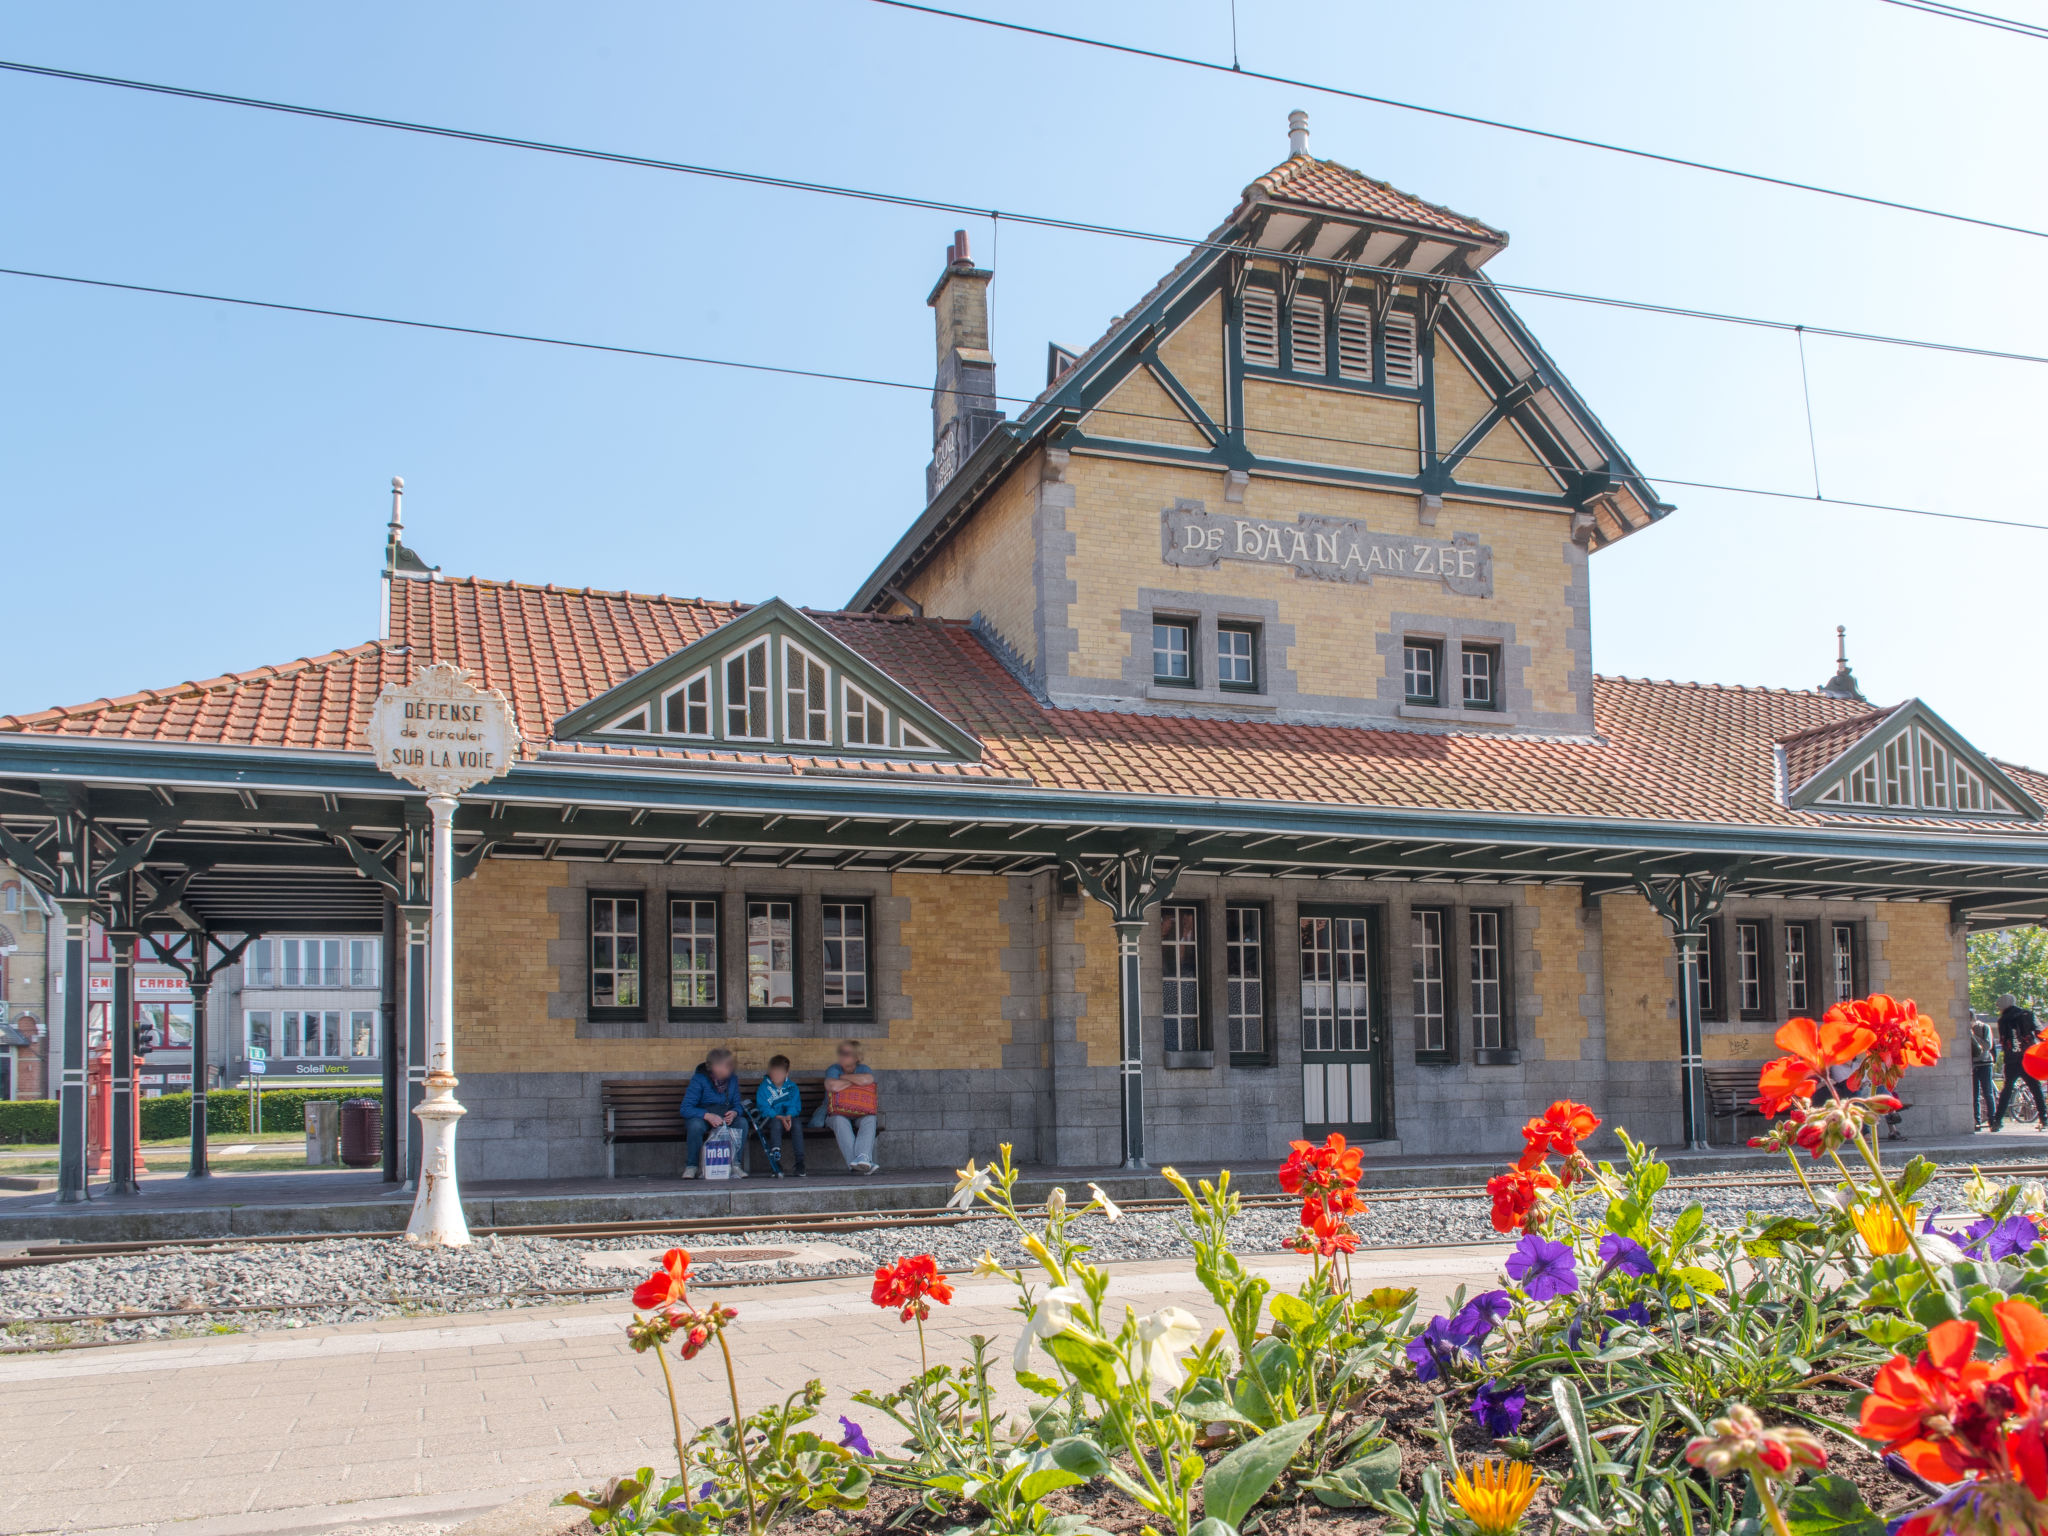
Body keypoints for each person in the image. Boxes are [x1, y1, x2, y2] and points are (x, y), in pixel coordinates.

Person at [680, 1047, 748, 1178]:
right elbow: (685, 1108)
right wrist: (707, 1116)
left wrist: (734, 1112)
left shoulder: (733, 1080)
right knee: (695, 1126)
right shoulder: (699, 1079)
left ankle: (735, 1165)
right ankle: (692, 1166)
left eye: (729, 1066)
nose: (728, 1069)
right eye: (724, 1066)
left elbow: (738, 1104)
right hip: (703, 1117)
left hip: (724, 1116)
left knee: (742, 1123)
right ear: (714, 1067)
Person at [815, 1037, 880, 1175]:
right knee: (840, 1121)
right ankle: (862, 1163)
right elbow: (831, 1085)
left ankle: (862, 1158)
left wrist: (843, 1078)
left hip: (860, 1112)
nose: (842, 1056)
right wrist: (857, 1083)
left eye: (846, 1053)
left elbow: (868, 1079)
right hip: (835, 1112)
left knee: (870, 1119)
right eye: (841, 1052)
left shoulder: (864, 1068)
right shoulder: (833, 1069)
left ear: (856, 1057)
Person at [1991, 994, 2047, 1132]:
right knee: (2035, 1088)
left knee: (2007, 1090)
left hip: (2012, 1060)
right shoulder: (2027, 1014)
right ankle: (2044, 1119)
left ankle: (1997, 1121)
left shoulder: (2002, 1020)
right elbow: (2040, 1033)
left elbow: (2005, 1041)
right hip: (2027, 1058)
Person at [754, 1054, 806, 1177]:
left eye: (780, 1073)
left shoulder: (792, 1087)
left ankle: (800, 1163)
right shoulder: (764, 1087)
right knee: (776, 1124)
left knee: (797, 1124)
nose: (776, 1075)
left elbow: (794, 1105)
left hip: (788, 1118)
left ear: (786, 1073)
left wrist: (788, 1116)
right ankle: (775, 1161)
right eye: (774, 1072)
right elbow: (763, 1107)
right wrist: (779, 1117)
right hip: (770, 1119)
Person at [1971, 1013, 1999, 1130]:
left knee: (1988, 1092)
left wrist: (1973, 1036)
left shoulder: (1984, 1027)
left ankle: (1992, 1119)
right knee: (1974, 1094)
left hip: (1985, 1063)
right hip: (1972, 1065)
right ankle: (1976, 1121)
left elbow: (1987, 1045)